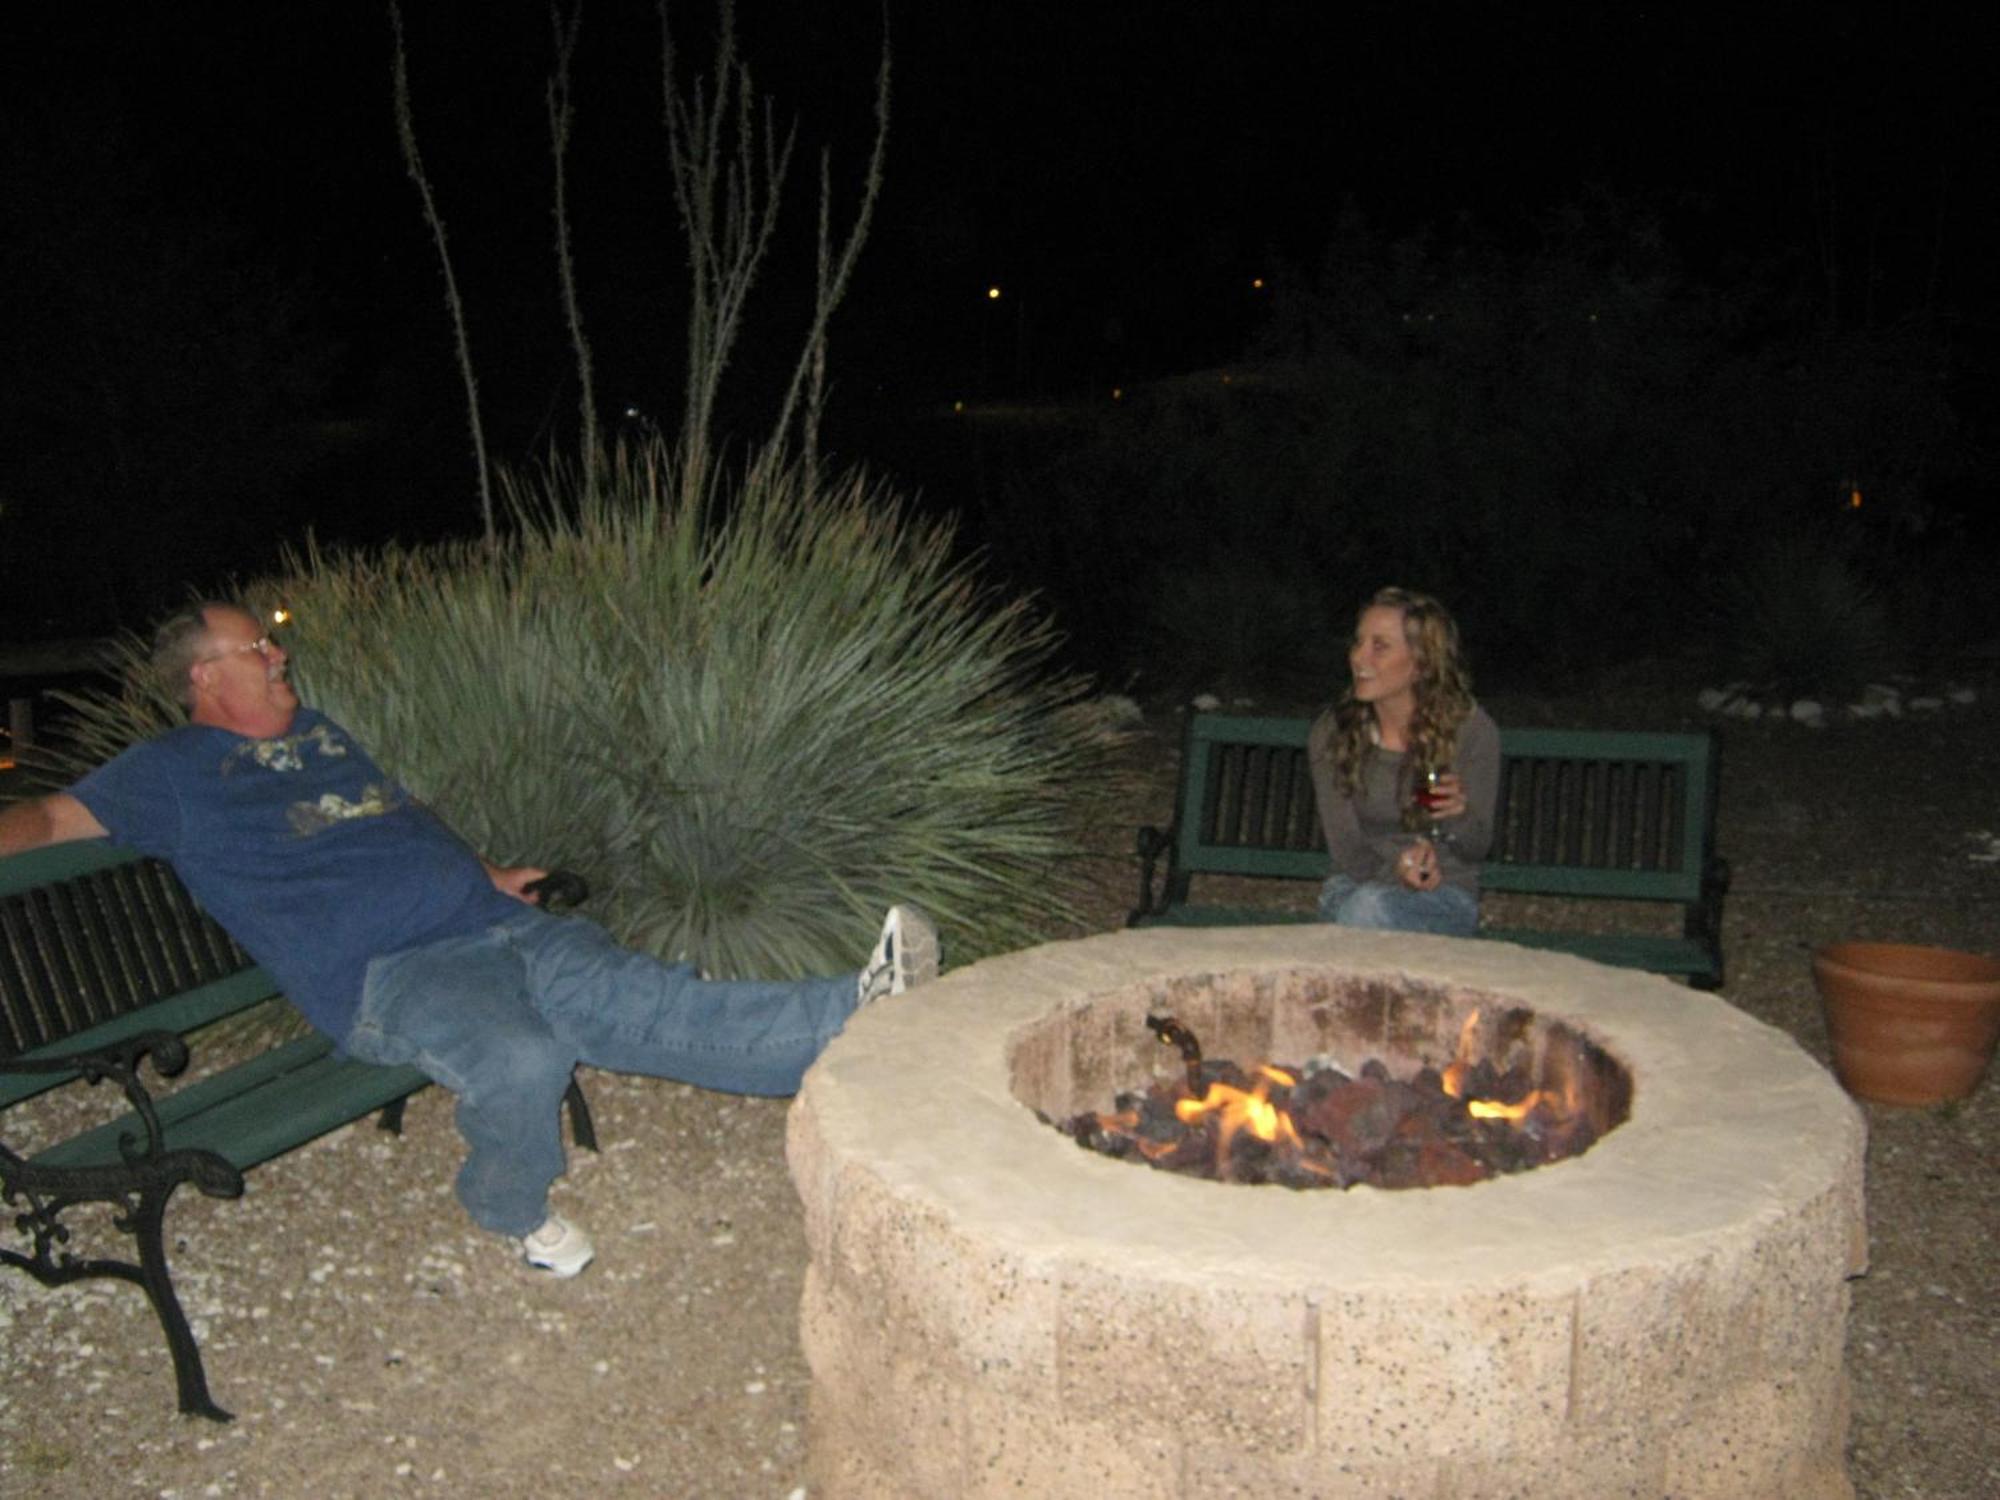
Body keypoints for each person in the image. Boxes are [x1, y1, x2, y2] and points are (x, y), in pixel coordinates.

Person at [0, 602, 940, 1278]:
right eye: (259, 645)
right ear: (207, 676)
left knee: (640, 997)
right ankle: (506, 1207)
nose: (281, 655)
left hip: (490, 920)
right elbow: (43, 821)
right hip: (390, 977)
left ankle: (857, 1013)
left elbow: (397, 814)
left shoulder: (321, 735)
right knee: (524, 1055)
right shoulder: (166, 773)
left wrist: (481, 873)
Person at [1306, 587, 1499, 936]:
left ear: (1421, 662)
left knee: (1366, 916)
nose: (1359, 658)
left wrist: (1457, 816)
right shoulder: (1334, 732)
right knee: (1366, 907)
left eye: (1379, 646)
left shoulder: (1470, 730)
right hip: (1354, 888)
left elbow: (1476, 847)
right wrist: (1398, 867)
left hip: (1443, 894)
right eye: (1358, 642)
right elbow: (1346, 847)